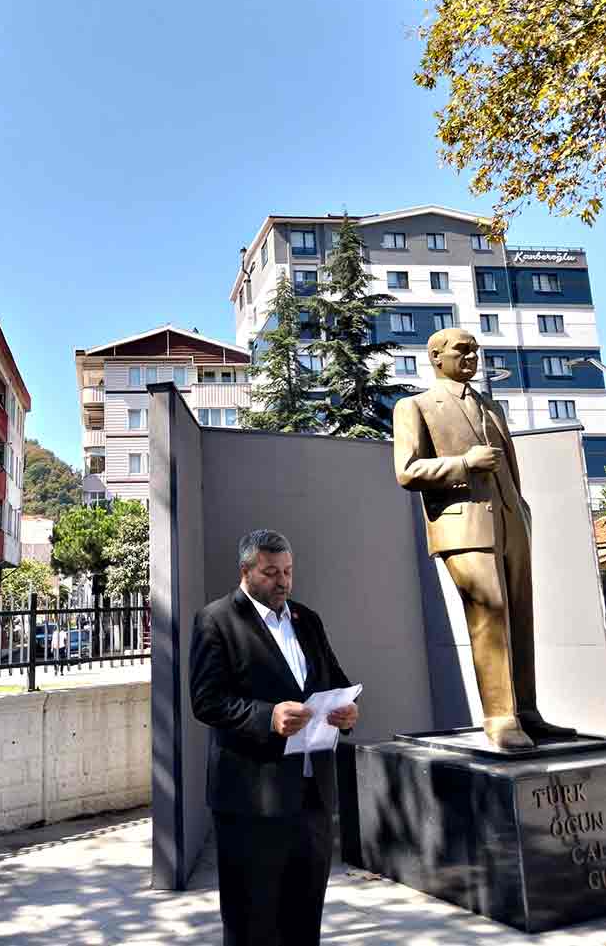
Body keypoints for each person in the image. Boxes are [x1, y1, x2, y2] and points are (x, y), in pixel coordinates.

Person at [393, 327, 576, 749]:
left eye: (475, 350)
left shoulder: (491, 406)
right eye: (463, 350)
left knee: (520, 618)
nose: (472, 357)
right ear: (436, 357)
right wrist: (464, 463)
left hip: (511, 522)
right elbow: (407, 471)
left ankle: (526, 712)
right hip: (462, 525)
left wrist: (521, 511)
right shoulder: (415, 406)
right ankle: (500, 717)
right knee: (488, 613)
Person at [189, 529, 358, 946]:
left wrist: (348, 712)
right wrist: (269, 717)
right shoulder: (216, 620)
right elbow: (206, 702)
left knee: (304, 919)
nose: (282, 581)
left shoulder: (307, 619)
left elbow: (336, 681)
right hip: (251, 802)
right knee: (252, 923)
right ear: (245, 571)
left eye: (288, 571)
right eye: (270, 572)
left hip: (312, 798)